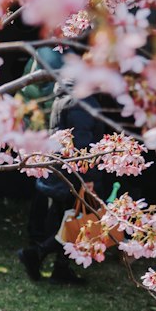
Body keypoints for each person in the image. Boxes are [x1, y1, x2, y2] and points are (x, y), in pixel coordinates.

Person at [18, 92, 112, 285]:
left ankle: (58, 267)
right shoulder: (83, 101)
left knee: (66, 218)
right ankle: (37, 254)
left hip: (62, 170)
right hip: (74, 173)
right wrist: (88, 178)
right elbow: (83, 143)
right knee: (77, 221)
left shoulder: (65, 95)